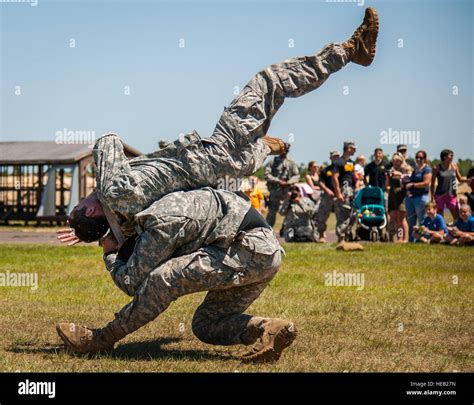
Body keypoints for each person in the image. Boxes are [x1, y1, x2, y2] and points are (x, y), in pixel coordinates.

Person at [57, 6, 380, 245]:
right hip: (214, 151)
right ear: (91, 212)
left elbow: (119, 235)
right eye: (82, 204)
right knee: (269, 82)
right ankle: (350, 52)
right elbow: (108, 141)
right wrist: (100, 193)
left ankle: (268, 146)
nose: (86, 196)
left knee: (256, 145)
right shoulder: (112, 191)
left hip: (222, 170)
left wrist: (98, 231)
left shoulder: (129, 227)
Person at [56, 187, 297, 363]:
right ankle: (270, 328)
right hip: (264, 251)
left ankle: (100, 339)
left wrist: (110, 255)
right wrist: (91, 228)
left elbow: (132, 281)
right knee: (206, 325)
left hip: (246, 248)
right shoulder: (158, 195)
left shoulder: (161, 219)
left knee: (163, 279)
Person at [264, 145, 300, 230]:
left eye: (286, 150)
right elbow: (266, 174)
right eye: (283, 150)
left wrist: (288, 182)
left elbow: (297, 175)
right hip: (275, 191)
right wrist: (278, 181)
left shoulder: (291, 163)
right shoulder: (273, 161)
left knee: (288, 211)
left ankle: (285, 230)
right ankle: (267, 230)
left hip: (287, 192)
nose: (284, 152)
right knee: (271, 213)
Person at [332, 141, 358, 242]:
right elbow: (334, 178)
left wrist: (357, 182)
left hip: (352, 191)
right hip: (344, 191)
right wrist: (338, 193)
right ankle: (341, 237)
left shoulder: (352, 162)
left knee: (353, 215)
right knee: (343, 215)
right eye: (353, 148)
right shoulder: (339, 162)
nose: (355, 150)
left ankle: (348, 235)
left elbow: (354, 177)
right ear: (348, 148)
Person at [405, 150, 433, 242]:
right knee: (411, 220)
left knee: (422, 220)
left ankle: (422, 239)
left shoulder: (427, 169)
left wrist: (413, 185)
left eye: (421, 158)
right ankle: (411, 239)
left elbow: (426, 183)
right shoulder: (415, 169)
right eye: (417, 157)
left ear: (425, 159)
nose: (418, 159)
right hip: (412, 198)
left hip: (421, 198)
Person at [431, 149, 467, 220]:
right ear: (445, 157)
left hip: (452, 195)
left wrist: (469, 179)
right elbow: (432, 183)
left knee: (456, 216)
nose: (453, 157)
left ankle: (457, 230)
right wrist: (432, 197)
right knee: (440, 217)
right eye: (451, 155)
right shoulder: (437, 168)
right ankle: (442, 230)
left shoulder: (455, 166)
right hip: (440, 195)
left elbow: (460, 179)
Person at [386, 152, 411, 243]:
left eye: (397, 161)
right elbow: (387, 185)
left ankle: (405, 238)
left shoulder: (405, 169)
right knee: (395, 218)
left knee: (402, 218)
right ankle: (399, 238)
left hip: (402, 196)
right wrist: (388, 177)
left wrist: (399, 174)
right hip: (392, 195)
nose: (395, 163)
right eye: (393, 161)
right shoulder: (391, 170)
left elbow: (408, 180)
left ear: (401, 161)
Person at [317, 150, 340, 242]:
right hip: (327, 196)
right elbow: (321, 182)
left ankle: (341, 237)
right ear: (330, 158)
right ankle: (322, 235)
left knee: (341, 217)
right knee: (322, 216)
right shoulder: (325, 170)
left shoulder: (342, 169)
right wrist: (327, 190)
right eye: (334, 157)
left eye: (338, 157)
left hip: (339, 196)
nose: (336, 158)